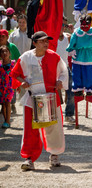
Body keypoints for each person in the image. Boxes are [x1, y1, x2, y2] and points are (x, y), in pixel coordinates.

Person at [11, 31, 68, 171]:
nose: (45, 43)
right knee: (30, 130)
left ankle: (54, 155)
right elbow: (14, 74)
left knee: (54, 128)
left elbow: (64, 71)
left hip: (51, 97)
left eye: (46, 41)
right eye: (42, 41)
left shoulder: (54, 57)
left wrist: (60, 81)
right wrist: (21, 82)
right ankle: (29, 158)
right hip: (32, 98)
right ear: (35, 43)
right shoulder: (26, 57)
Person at [66, 14, 92, 95]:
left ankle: (89, 89)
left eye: (87, 24)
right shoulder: (76, 32)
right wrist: (71, 51)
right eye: (83, 25)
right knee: (77, 73)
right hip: (78, 55)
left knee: (89, 73)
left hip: (89, 56)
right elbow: (72, 43)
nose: (85, 26)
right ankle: (78, 89)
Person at [56, 21, 74, 123]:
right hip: (54, 68)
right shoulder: (52, 38)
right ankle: (56, 116)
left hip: (65, 68)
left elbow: (77, 43)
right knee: (54, 94)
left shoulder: (68, 37)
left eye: (64, 25)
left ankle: (69, 114)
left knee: (72, 91)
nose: (62, 27)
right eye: (60, 24)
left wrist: (73, 31)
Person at [0, 45, 15, 128]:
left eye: (6, 51)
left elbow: (17, 75)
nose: (4, 53)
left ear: (9, 53)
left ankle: (7, 121)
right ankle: (6, 121)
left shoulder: (13, 63)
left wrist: (18, 86)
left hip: (10, 86)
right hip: (1, 87)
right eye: (2, 51)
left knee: (8, 103)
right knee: (3, 104)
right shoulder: (0, 64)